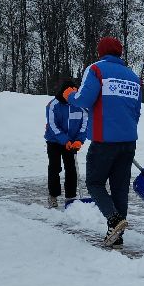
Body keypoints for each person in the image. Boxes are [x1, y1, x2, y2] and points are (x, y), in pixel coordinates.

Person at [63, 37, 142, 247]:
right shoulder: (133, 76)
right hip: (128, 141)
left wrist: (70, 95)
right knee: (119, 187)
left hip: (104, 140)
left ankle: (114, 219)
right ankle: (117, 236)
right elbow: (137, 110)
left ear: (101, 52)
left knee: (95, 182)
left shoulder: (97, 70)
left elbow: (83, 100)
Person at [44, 79, 88, 209]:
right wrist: (64, 140)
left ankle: (71, 197)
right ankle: (53, 195)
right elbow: (52, 125)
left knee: (71, 168)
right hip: (54, 141)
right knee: (55, 167)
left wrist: (79, 140)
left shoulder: (80, 106)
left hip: (73, 142)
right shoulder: (53, 105)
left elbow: (85, 124)